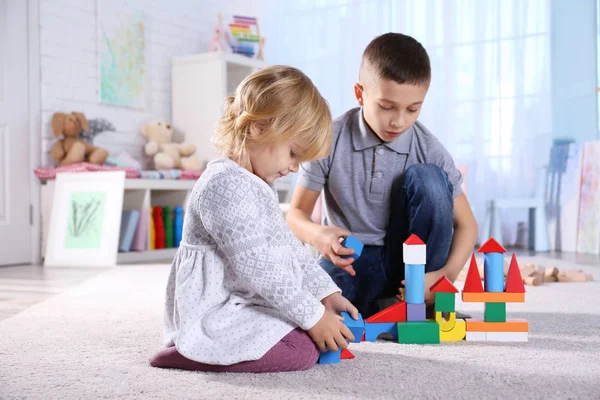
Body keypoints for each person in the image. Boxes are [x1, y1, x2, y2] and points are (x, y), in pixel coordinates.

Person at [149, 65, 358, 373]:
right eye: (292, 154)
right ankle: (189, 352)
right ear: (259, 128)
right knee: (299, 350)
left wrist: (325, 292)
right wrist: (312, 315)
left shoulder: (255, 184)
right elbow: (257, 267)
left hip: (244, 300)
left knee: (308, 334)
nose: (294, 168)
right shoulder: (225, 185)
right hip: (217, 309)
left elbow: (288, 247)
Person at [286, 33, 478, 319]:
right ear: (360, 94)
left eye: (413, 109)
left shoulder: (429, 148)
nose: (399, 121)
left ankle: (419, 302)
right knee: (310, 312)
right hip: (353, 259)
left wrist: (443, 277)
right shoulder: (329, 140)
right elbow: (296, 214)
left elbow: (468, 226)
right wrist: (318, 235)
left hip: (414, 266)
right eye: (387, 106)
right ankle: (382, 305)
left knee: (430, 179)